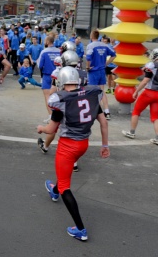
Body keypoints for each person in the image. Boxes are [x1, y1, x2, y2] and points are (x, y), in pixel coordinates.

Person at [37, 67, 110, 242]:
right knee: (63, 175)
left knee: (65, 186)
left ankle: (80, 229)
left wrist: (40, 128)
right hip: (83, 144)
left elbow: (51, 129)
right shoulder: (91, 95)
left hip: (67, 146)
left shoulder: (61, 101)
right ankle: (54, 191)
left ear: (61, 81)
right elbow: (103, 123)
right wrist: (105, 145)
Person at [122, 48, 158, 145]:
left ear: (157, 55)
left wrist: (136, 91)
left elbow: (145, 80)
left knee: (136, 111)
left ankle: (131, 132)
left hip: (149, 92)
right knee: (155, 117)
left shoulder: (152, 65)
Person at [85, 30, 115, 120]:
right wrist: (106, 63)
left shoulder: (90, 46)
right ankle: (107, 111)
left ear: (91, 35)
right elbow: (113, 55)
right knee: (102, 91)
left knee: (91, 91)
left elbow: (88, 58)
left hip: (93, 71)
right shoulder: (104, 45)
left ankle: (92, 112)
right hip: (102, 71)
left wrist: (87, 67)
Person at [37, 36, 62, 119]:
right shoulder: (59, 51)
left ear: (47, 42)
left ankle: (51, 116)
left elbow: (40, 65)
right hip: (58, 76)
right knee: (58, 95)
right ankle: (58, 115)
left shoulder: (44, 52)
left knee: (47, 96)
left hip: (47, 75)